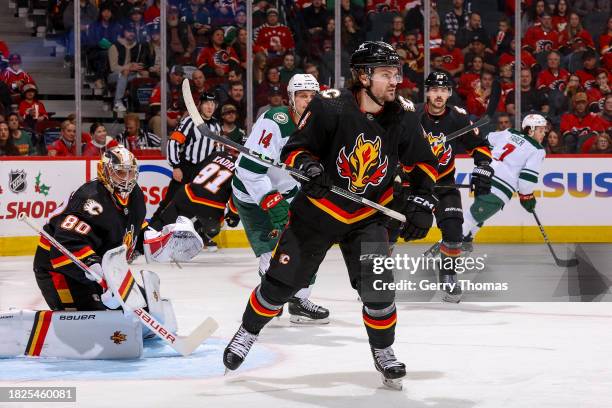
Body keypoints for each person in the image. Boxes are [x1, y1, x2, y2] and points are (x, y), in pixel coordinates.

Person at [223, 41, 439, 390]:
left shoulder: (402, 115)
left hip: (368, 217)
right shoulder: (330, 107)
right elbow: (296, 151)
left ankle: (384, 352)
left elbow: (424, 164)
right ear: (364, 76)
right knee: (280, 286)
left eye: (396, 73)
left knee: (379, 290)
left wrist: (420, 201)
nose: (395, 80)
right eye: (386, 74)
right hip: (317, 214)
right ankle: (247, 332)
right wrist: (308, 167)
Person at [231, 73, 330, 324]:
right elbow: (250, 171)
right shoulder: (275, 122)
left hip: (291, 190)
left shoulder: (322, 124)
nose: (308, 101)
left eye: (312, 96)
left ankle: (299, 301)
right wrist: (272, 202)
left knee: (312, 243)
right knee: (275, 249)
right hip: (253, 192)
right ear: (291, 98)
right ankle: (270, 299)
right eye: (302, 96)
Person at [33, 146, 146, 310]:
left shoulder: (135, 194)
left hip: (99, 269)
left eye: (130, 172)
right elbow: (67, 241)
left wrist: (157, 239)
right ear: (104, 171)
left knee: (142, 305)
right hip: (60, 266)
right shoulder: (90, 198)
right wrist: (95, 267)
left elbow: (133, 226)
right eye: (120, 172)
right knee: (98, 315)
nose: (126, 179)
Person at [416, 71, 493, 303]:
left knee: (453, 231)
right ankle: (375, 278)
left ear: (449, 93)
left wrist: (482, 165)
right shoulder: (413, 115)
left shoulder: (458, 118)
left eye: (443, 90)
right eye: (434, 90)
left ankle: (448, 275)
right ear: (427, 92)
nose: (438, 95)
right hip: (414, 183)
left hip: (444, 184)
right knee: (389, 228)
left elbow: (480, 145)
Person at [462, 115, 547, 251]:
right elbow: (526, 179)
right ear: (530, 130)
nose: (544, 133)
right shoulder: (537, 150)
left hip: (483, 178)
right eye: (541, 130)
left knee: (479, 212)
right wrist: (527, 197)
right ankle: (446, 246)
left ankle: (466, 240)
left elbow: (488, 139)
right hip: (499, 189)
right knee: (471, 217)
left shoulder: (510, 132)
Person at [153, 92, 221, 243]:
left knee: (202, 205)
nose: (210, 106)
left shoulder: (216, 125)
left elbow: (218, 149)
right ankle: (153, 232)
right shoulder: (190, 122)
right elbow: (173, 142)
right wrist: (176, 166)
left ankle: (199, 235)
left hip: (204, 173)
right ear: (200, 105)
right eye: (206, 103)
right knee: (170, 202)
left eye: (213, 103)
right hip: (186, 169)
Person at [147, 149, 240, 255]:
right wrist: (233, 218)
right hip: (211, 206)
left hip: (187, 194)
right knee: (215, 225)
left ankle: (146, 239)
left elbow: (196, 172)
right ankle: (201, 237)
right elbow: (238, 196)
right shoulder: (242, 169)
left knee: (165, 219)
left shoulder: (217, 154)